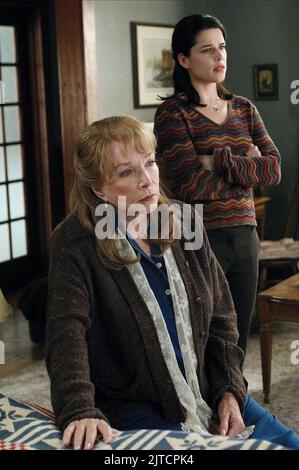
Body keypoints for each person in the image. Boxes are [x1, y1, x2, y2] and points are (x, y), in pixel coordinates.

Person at [46, 116, 298, 451]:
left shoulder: (184, 222)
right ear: (98, 189)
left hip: (206, 391)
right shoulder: (75, 241)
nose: (147, 180)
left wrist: (229, 391)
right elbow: (66, 333)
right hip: (137, 407)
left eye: (149, 163)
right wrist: (77, 407)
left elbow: (223, 319)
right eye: (126, 172)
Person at [154, 15, 281, 357]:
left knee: (237, 337)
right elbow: (192, 185)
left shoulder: (244, 108)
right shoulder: (172, 114)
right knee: (203, 335)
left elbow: (271, 171)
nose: (219, 57)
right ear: (183, 59)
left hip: (245, 234)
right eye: (207, 49)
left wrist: (219, 160)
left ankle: (233, 405)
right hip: (198, 234)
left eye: (221, 47)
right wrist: (244, 162)